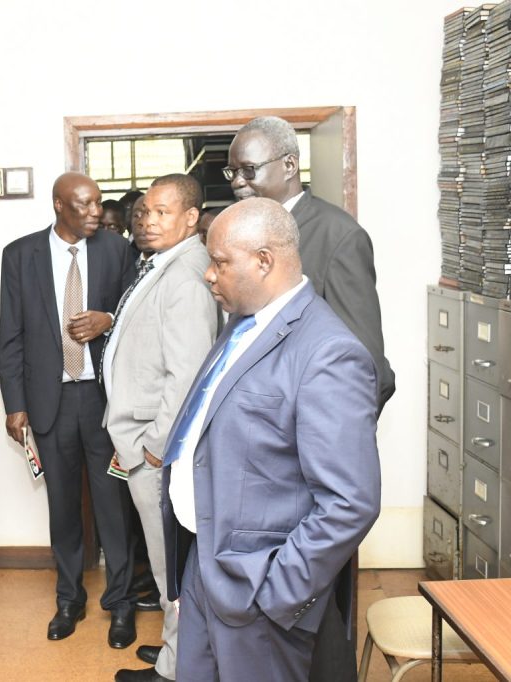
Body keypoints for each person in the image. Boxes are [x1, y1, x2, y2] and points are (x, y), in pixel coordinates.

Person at [160, 198, 381, 681]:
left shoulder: (328, 352)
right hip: (205, 563)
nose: (209, 276)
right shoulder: (244, 323)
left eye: (220, 262)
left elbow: (350, 502)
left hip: (256, 589)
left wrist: (275, 592)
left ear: (264, 260)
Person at [225, 116, 394, 682]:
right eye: (232, 172)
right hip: (257, 475)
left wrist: (321, 441)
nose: (238, 182)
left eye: (249, 170)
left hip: (309, 473)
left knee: (320, 626)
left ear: (290, 167)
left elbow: (368, 365)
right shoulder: (247, 236)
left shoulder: (338, 236)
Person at [0, 171, 138, 648]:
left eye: (99, 202)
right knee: (63, 508)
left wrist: (109, 319)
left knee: (113, 506)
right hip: (49, 402)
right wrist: (15, 404)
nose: (97, 211)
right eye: (85, 204)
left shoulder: (117, 251)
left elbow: (137, 322)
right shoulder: (20, 256)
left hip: (102, 402)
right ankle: (69, 599)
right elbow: (11, 336)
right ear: (60, 206)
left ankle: (120, 604)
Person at [103, 174, 219, 682]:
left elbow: (188, 373)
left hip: (157, 447)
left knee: (169, 568)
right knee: (166, 564)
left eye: (162, 212)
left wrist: (154, 448)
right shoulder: (165, 263)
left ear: (191, 218)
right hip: (144, 442)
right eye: (144, 211)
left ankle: (176, 670)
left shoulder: (187, 275)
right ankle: (178, 651)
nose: (148, 220)